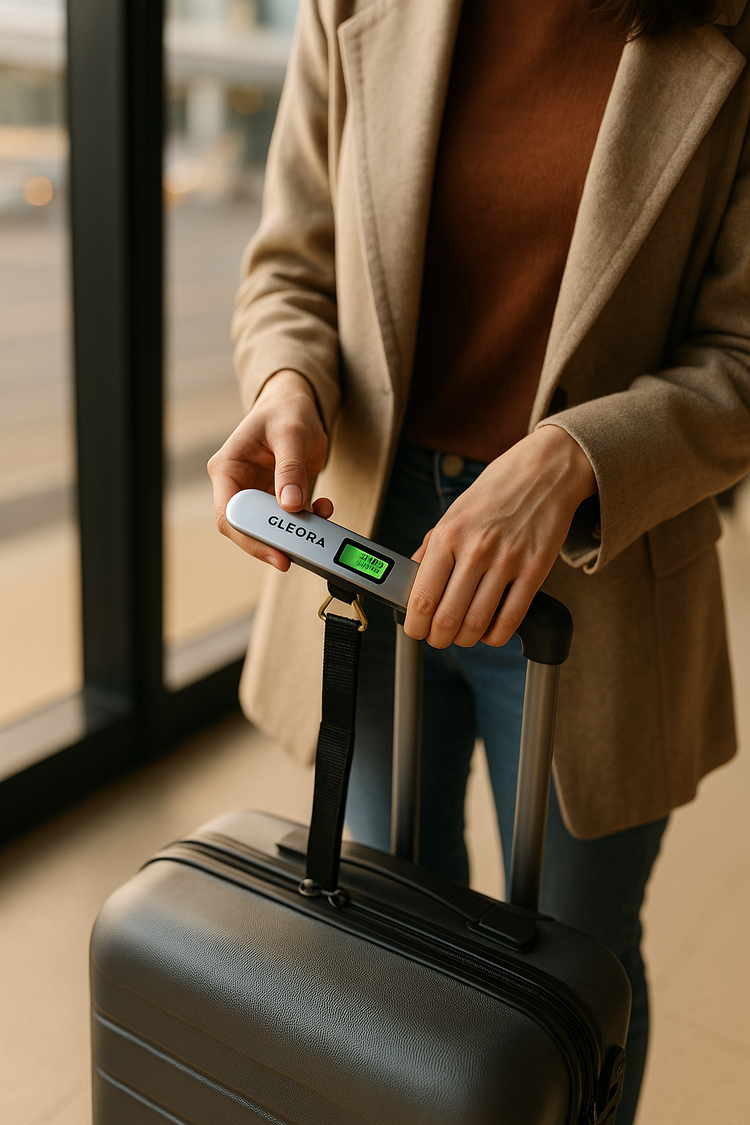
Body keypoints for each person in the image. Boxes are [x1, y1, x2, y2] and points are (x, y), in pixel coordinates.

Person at [208, 1, 750, 1120]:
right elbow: (291, 268)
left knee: (581, 965)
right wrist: (286, 385)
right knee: (386, 941)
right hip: (368, 540)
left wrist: (572, 461)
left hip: (604, 570)